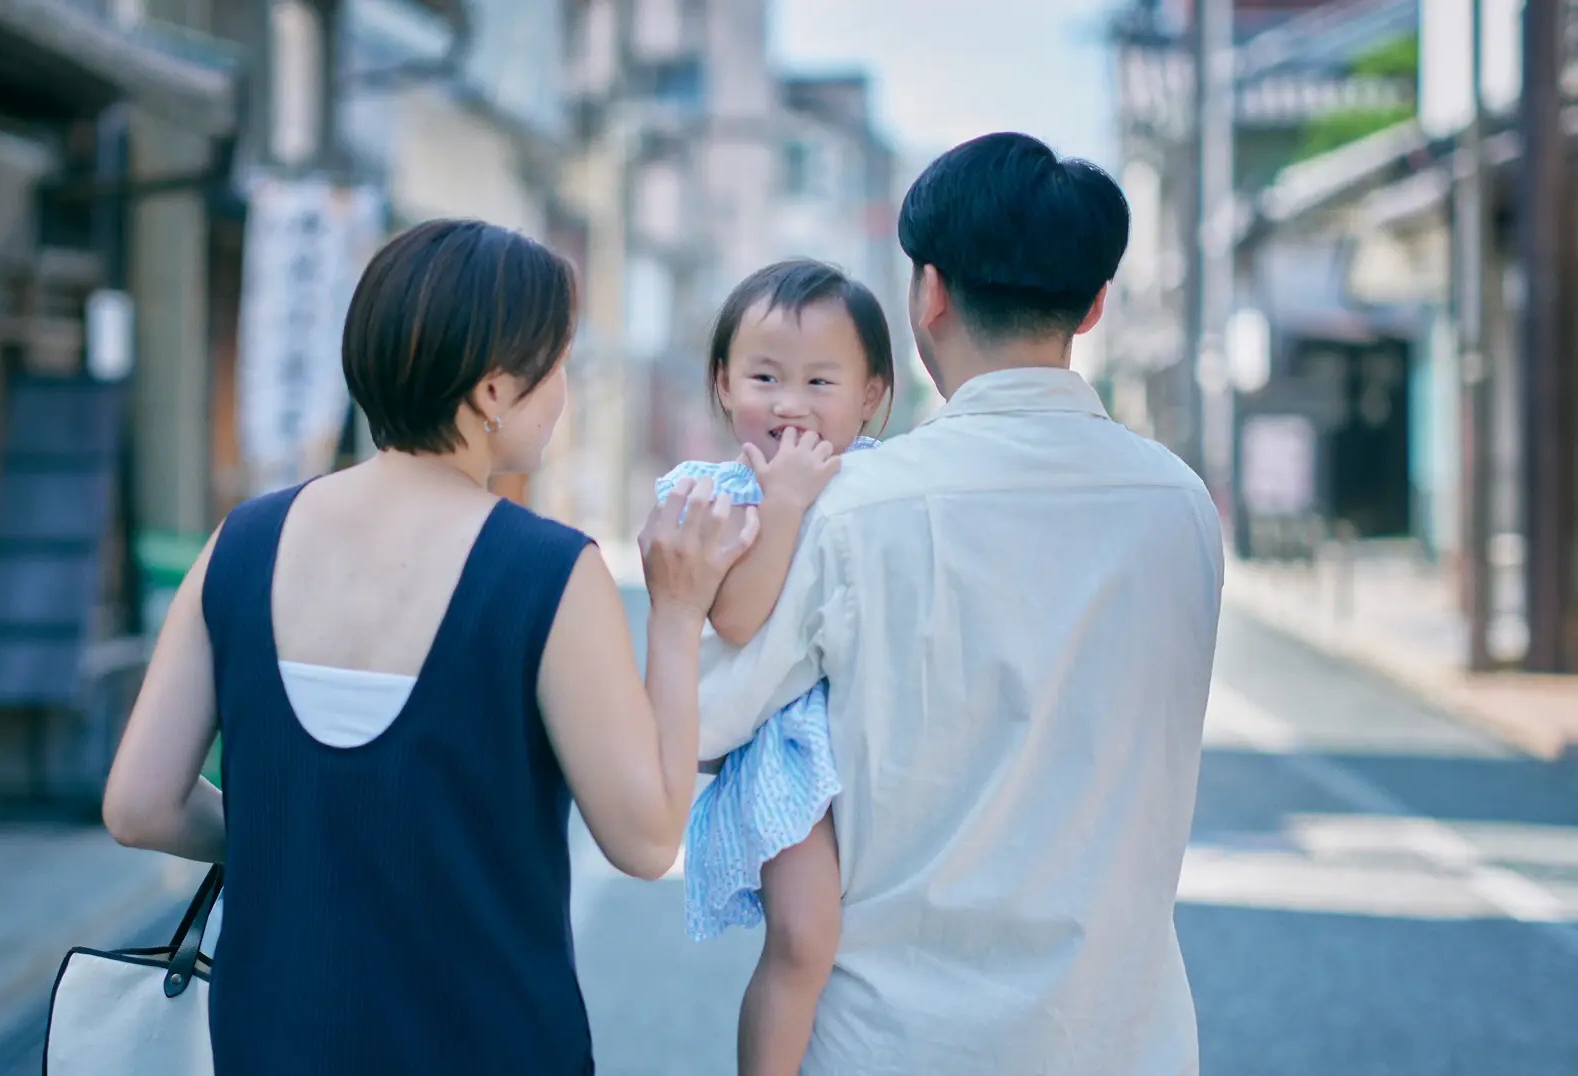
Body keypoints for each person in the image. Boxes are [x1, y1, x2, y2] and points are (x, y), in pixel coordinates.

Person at [100, 218, 758, 1074]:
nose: (566, 389)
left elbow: (140, 805)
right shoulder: (545, 572)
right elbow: (644, 841)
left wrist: (306, 830)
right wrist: (675, 614)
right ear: (493, 392)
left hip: (273, 1040)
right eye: (556, 365)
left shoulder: (242, 543)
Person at [694, 132, 1225, 1075]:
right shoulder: (1180, 506)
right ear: (1095, 305)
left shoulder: (853, 507)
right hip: (1122, 1042)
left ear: (928, 293)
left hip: (892, 1045)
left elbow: (705, 721)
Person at [656, 260, 893, 1076]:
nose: (790, 403)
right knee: (804, 937)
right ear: (723, 383)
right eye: (764, 376)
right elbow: (734, 614)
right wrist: (784, 505)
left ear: (871, 396)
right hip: (777, 743)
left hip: (860, 721)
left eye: (820, 380)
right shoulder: (711, 495)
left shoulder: (876, 482)